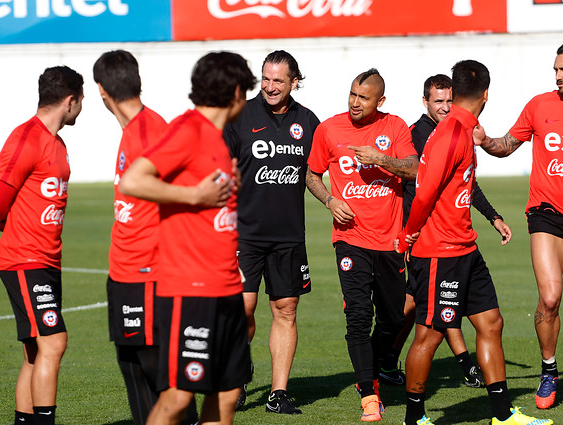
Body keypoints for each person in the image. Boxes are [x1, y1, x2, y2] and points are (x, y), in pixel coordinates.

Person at [395, 59, 552, 425]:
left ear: (455, 92)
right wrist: (409, 234)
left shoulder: (465, 128)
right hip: (439, 252)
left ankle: (502, 414)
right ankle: (414, 418)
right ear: (485, 94)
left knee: (491, 323)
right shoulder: (451, 133)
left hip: (465, 247)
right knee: (430, 335)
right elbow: (425, 190)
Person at [474, 40, 563, 411]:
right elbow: (508, 144)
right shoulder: (540, 105)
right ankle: (549, 371)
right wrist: (486, 141)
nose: (557, 76)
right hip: (546, 214)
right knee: (550, 299)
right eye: (555, 70)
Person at [119, 51, 256, 425]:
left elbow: (209, 195)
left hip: (225, 285)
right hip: (190, 288)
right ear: (236, 92)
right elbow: (134, 180)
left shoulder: (215, 138)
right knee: (179, 396)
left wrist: (227, 188)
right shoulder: (188, 129)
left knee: (226, 393)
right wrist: (195, 195)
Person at [377, 74, 512, 389]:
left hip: (444, 239)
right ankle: (456, 368)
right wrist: (409, 233)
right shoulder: (420, 136)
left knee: (416, 307)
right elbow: (418, 188)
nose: (445, 107)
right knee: (432, 317)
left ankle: (382, 359)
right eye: (438, 101)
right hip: (425, 238)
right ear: (425, 102)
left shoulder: (456, 130)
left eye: (449, 100)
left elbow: (464, 182)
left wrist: (492, 216)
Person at [306, 68, 419, 422]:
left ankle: (370, 365)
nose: (355, 102)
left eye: (364, 97)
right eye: (353, 94)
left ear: (380, 101)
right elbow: (311, 173)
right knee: (357, 315)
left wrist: (381, 159)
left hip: (389, 241)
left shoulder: (395, 126)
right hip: (350, 240)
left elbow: (415, 169)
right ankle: (369, 393)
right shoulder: (328, 128)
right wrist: (329, 201)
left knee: (392, 317)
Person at [93, 50, 198, 425]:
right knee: (132, 364)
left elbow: (188, 198)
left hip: (150, 272)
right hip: (124, 271)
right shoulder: (133, 131)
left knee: (159, 369)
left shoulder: (153, 132)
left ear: (102, 91)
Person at [0, 66, 84, 425]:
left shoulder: (57, 143)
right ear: (71, 100)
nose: (81, 107)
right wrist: (14, 231)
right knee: (54, 342)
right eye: (81, 99)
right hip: (25, 259)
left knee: (34, 352)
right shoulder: (26, 138)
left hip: (46, 261)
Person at [223, 50, 320, 414]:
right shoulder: (240, 116)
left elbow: (314, 173)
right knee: (242, 308)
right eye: (265, 78)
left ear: (295, 81)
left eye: (278, 80)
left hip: (289, 236)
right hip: (244, 234)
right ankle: (239, 368)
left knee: (286, 310)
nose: (270, 86)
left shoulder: (308, 121)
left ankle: (278, 394)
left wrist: (331, 200)